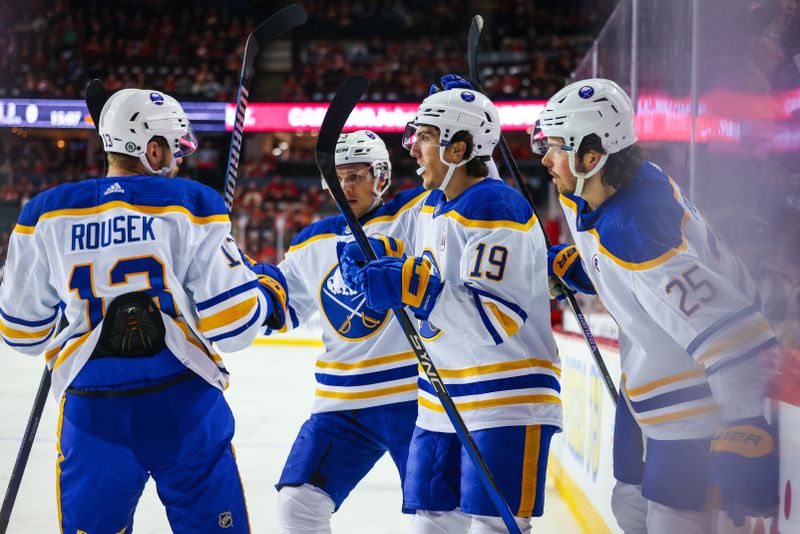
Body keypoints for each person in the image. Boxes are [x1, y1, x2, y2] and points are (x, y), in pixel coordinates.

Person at [0, 88, 288, 533]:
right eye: (173, 148)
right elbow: (234, 327)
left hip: (93, 415)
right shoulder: (192, 202)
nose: (178, 160)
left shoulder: (43, 213)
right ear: (152, 148)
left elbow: (22, 333)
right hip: (184, 407)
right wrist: (264, 290)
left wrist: (70, 308)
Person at [532, 78, 779, 533]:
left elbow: (731, 330)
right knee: (628, 505)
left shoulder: (638, 229)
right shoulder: (600, 187)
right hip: (643, 387)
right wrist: (589, 268)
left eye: (554, 147)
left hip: (689, 402)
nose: (544, 158)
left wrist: (745, 418)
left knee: (670, 520)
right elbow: (637, 276)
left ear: (592, 157)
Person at [342, 78, 561, 533]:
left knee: (492, 526)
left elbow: (494, 318)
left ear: (457, 150)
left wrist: (412, 288)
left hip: (505, 398)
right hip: (439, 396)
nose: (413, 149)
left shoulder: (497, 205)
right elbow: (402, 258)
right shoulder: (433, 205)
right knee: (433, 523)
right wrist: (368, 256)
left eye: (424, 137)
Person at [267, 130, 427, 533]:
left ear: (382, 176)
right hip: (341, 407)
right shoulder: (311, 242)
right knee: (296, 507)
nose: (344, 187)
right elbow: (278, 309)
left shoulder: (414, 215)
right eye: (337, 177)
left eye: (355, 175)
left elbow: (468, 194)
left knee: (440, 517)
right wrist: (234, 278)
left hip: (415, 399)